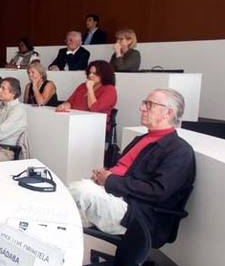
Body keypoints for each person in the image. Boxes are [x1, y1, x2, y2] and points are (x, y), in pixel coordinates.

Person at [68, 89, 195, 246]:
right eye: (144, 104)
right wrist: (106, 174)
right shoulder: (142, 139)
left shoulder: (179, 151)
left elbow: (158, 191)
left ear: (168, 113)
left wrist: (110, 180)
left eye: (149, 105)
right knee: (66, 215)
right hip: (118, 197)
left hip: (138, 213)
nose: (142, 108)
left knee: (78, 192)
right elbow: (127, 171)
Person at [57, 60, 117, 129]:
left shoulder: (109, 89)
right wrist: (63, 106)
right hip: (76, 121)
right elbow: (70, 101)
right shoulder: (82, 86)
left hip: (95, 126)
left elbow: (94, 108)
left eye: (95, 73)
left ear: (104, 74)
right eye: (90, 73)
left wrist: (90, 89)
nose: (90, 75)